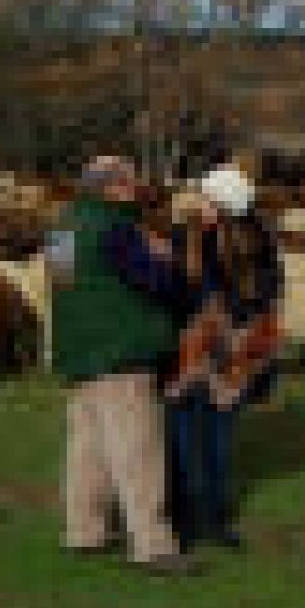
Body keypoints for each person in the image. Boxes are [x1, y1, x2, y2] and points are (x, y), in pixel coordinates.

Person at [49, 155, 202, 576]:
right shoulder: (116, 228)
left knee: (87, 447)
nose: (137, 188)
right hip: (121, 352)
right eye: (131, 181)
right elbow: (158, 283)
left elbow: (61, 290)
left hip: (77, 353)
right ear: (111, 187)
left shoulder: (61, 229)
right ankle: (152, 546)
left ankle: (84, 530)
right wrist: (168, 260)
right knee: (137, 449)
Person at [161, 163, 281, 551]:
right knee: (201, 435)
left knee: (202, 436)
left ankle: (198, 519)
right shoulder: (201, 235)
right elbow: (266, 294)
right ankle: (200, 519)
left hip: (207, 350)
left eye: (207, 197)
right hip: (213, 352)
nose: (200, 200)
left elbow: (264, 290)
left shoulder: (220, 237)